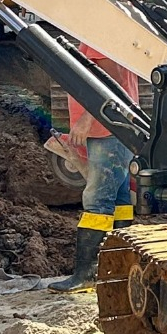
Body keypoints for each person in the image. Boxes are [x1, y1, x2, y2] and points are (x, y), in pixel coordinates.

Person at [49, 46, 143, 292]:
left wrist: (87, 119)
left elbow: (110, 84)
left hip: (105, 129)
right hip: (116, 127)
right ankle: (121, 266)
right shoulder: (109, 34)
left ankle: (87, 274)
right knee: (120, 198)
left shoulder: (96, 38)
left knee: (97, 199)